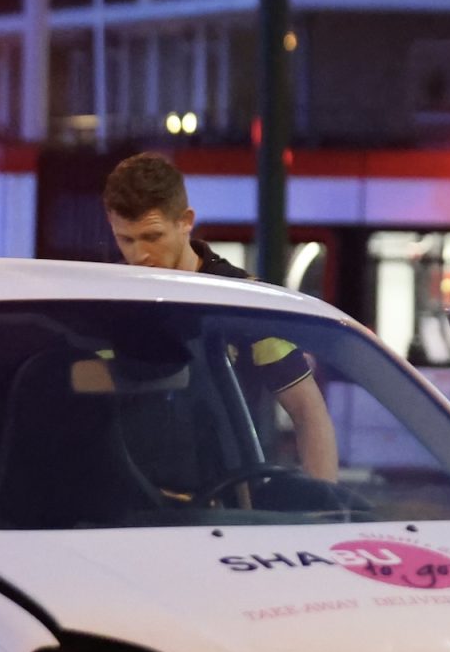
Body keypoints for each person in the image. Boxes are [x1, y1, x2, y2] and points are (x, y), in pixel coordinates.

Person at [101, 153, 338, 481]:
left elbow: (308, 413)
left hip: (226, 502)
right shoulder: (105, 300)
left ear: (186, 221)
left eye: (152, 237)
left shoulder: (243, 303)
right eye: (125, 239)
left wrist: (325, 509)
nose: (138, 254)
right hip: (124, 505)